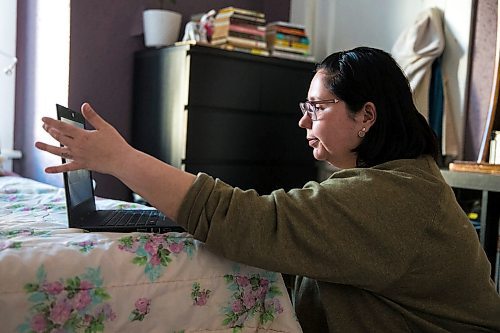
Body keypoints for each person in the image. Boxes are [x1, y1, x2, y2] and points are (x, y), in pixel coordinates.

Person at [35, 47, 500, 332]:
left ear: (366, 116)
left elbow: (248, 220)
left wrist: (122, 159)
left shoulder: (393, 199)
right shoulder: (398, 181)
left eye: (316, 107)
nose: (302, 120)